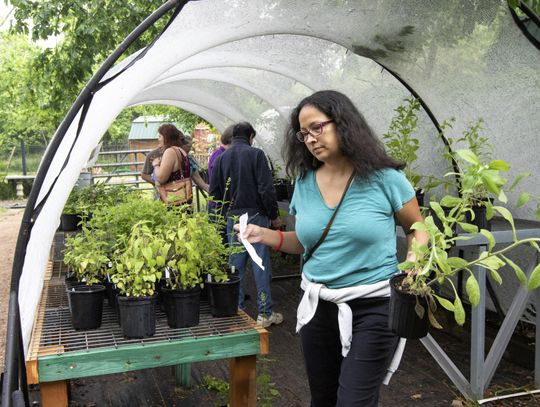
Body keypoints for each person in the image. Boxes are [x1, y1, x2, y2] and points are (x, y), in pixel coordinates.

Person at [235, 90, 428, 406]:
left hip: (375, 308)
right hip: (318, 307)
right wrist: (263, 234)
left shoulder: (385, 178)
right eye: (303, 133)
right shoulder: (306, 183)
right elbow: (303, 242)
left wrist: (414, 261)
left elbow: (417, 228)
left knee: (353, 401)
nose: (309, 138)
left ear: (343, 123)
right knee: (323, 398)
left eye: (317, 127)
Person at [209, 121, 283, 328]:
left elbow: (214, 192)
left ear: (232, 137)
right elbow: (266, 189)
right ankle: (264, 313)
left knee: (236, 266)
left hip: (232, 218)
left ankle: (238, 310)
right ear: (251, 136)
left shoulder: (222, 158)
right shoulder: (256, 155)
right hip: (255, 215)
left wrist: (226, 213)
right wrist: (274, 216)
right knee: (259, 264)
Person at [152, 124, 190, 192]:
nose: (158, 139)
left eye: (160, 136)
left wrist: (156, 165)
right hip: (182, 194)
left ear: (166, 137)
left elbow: (161, 178)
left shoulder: (170, 152)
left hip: (173, 198)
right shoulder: (180, 150)